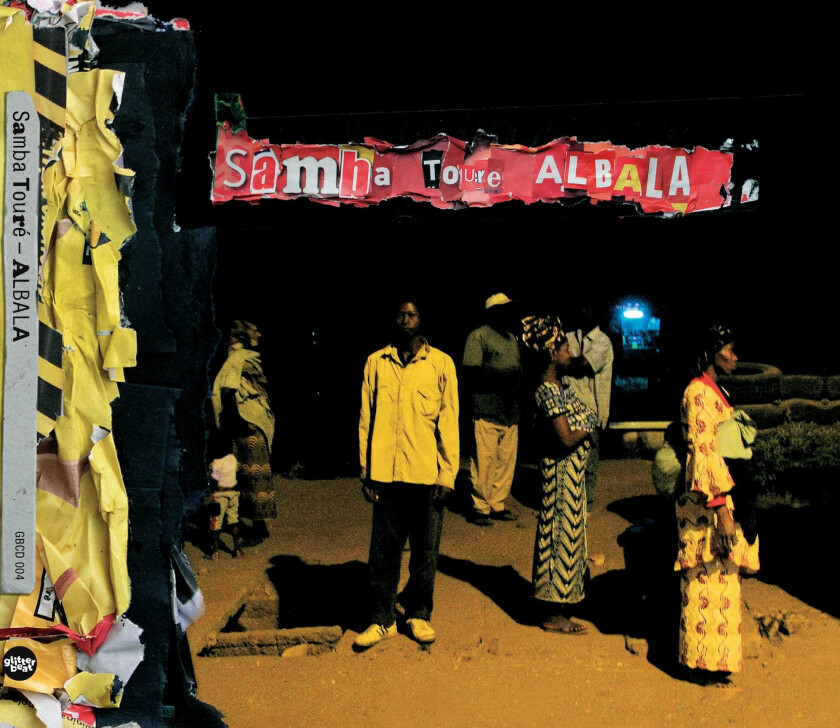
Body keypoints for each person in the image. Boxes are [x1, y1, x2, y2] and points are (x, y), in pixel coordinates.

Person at [355, 299, 459, 649]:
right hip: (386, 474)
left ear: (422, 320)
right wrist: (367, 471)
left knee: (425, 553)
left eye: (412, 314)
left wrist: (447, 475)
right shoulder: (376, 363)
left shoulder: (441, 364)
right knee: (382, 552)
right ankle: (381, 619)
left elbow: (449, 422)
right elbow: (366, 421)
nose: (405, 319)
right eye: (399, 313)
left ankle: (419, 614)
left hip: (426, 474)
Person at [675, 325, 759, 681]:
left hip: (720, 497)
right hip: (707, 503)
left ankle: (716, 662)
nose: (736, 358)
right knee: (705, 579)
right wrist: (722, 508)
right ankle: (700, 665)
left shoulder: (716, 392)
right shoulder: (697, 393)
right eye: (731, 350)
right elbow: (703, 452)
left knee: (722, 579)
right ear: (713, 352)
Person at [522, 315, 596, 634]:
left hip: (571, 479)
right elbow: (565, 438)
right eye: (564, 344)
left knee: (569, 537)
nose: (569, 350)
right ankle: (553, 613)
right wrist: (588, 428)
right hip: (561, 478)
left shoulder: (559, 387)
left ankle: (561, 605)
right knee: (558, 539)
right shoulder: (549, 391)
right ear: (552, 351)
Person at [211, 320, 276, 547]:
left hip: (247, 422)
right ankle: (256, 526)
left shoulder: (237, 358)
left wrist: (231, 423)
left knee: (252, 475)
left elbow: (228, 391)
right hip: (256, 420)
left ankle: (256, 530)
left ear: (234, 339)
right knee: (254, 475)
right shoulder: (248, 358)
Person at [462, 292, 523, 526]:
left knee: (505, 461)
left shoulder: (511, 338)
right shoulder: (478, 336)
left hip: (509, 411)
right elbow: (471, 372)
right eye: (503, 308)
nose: (507, 312)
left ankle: (497, 504)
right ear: (492, 312)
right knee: (484, 462)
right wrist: (503, 376)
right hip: (486, 409)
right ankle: (480, 507)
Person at [564, 304, 613, 507]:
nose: (582, 310)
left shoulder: (603, 341)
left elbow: (584, 365)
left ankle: (586, 501)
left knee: (589, 462)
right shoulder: (568, 337)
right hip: (568, 408)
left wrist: (564, 362)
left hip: (592, 409)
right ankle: (569, 499)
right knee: (568, 458)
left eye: (588, 308)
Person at [204, 454, 243, 559]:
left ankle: (215, 552)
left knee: (215, 522)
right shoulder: (233, 458)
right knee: (234, 520)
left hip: (219, 495)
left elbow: (212, 478)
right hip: (234, 493)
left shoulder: (215, 462)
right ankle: (237, 550)